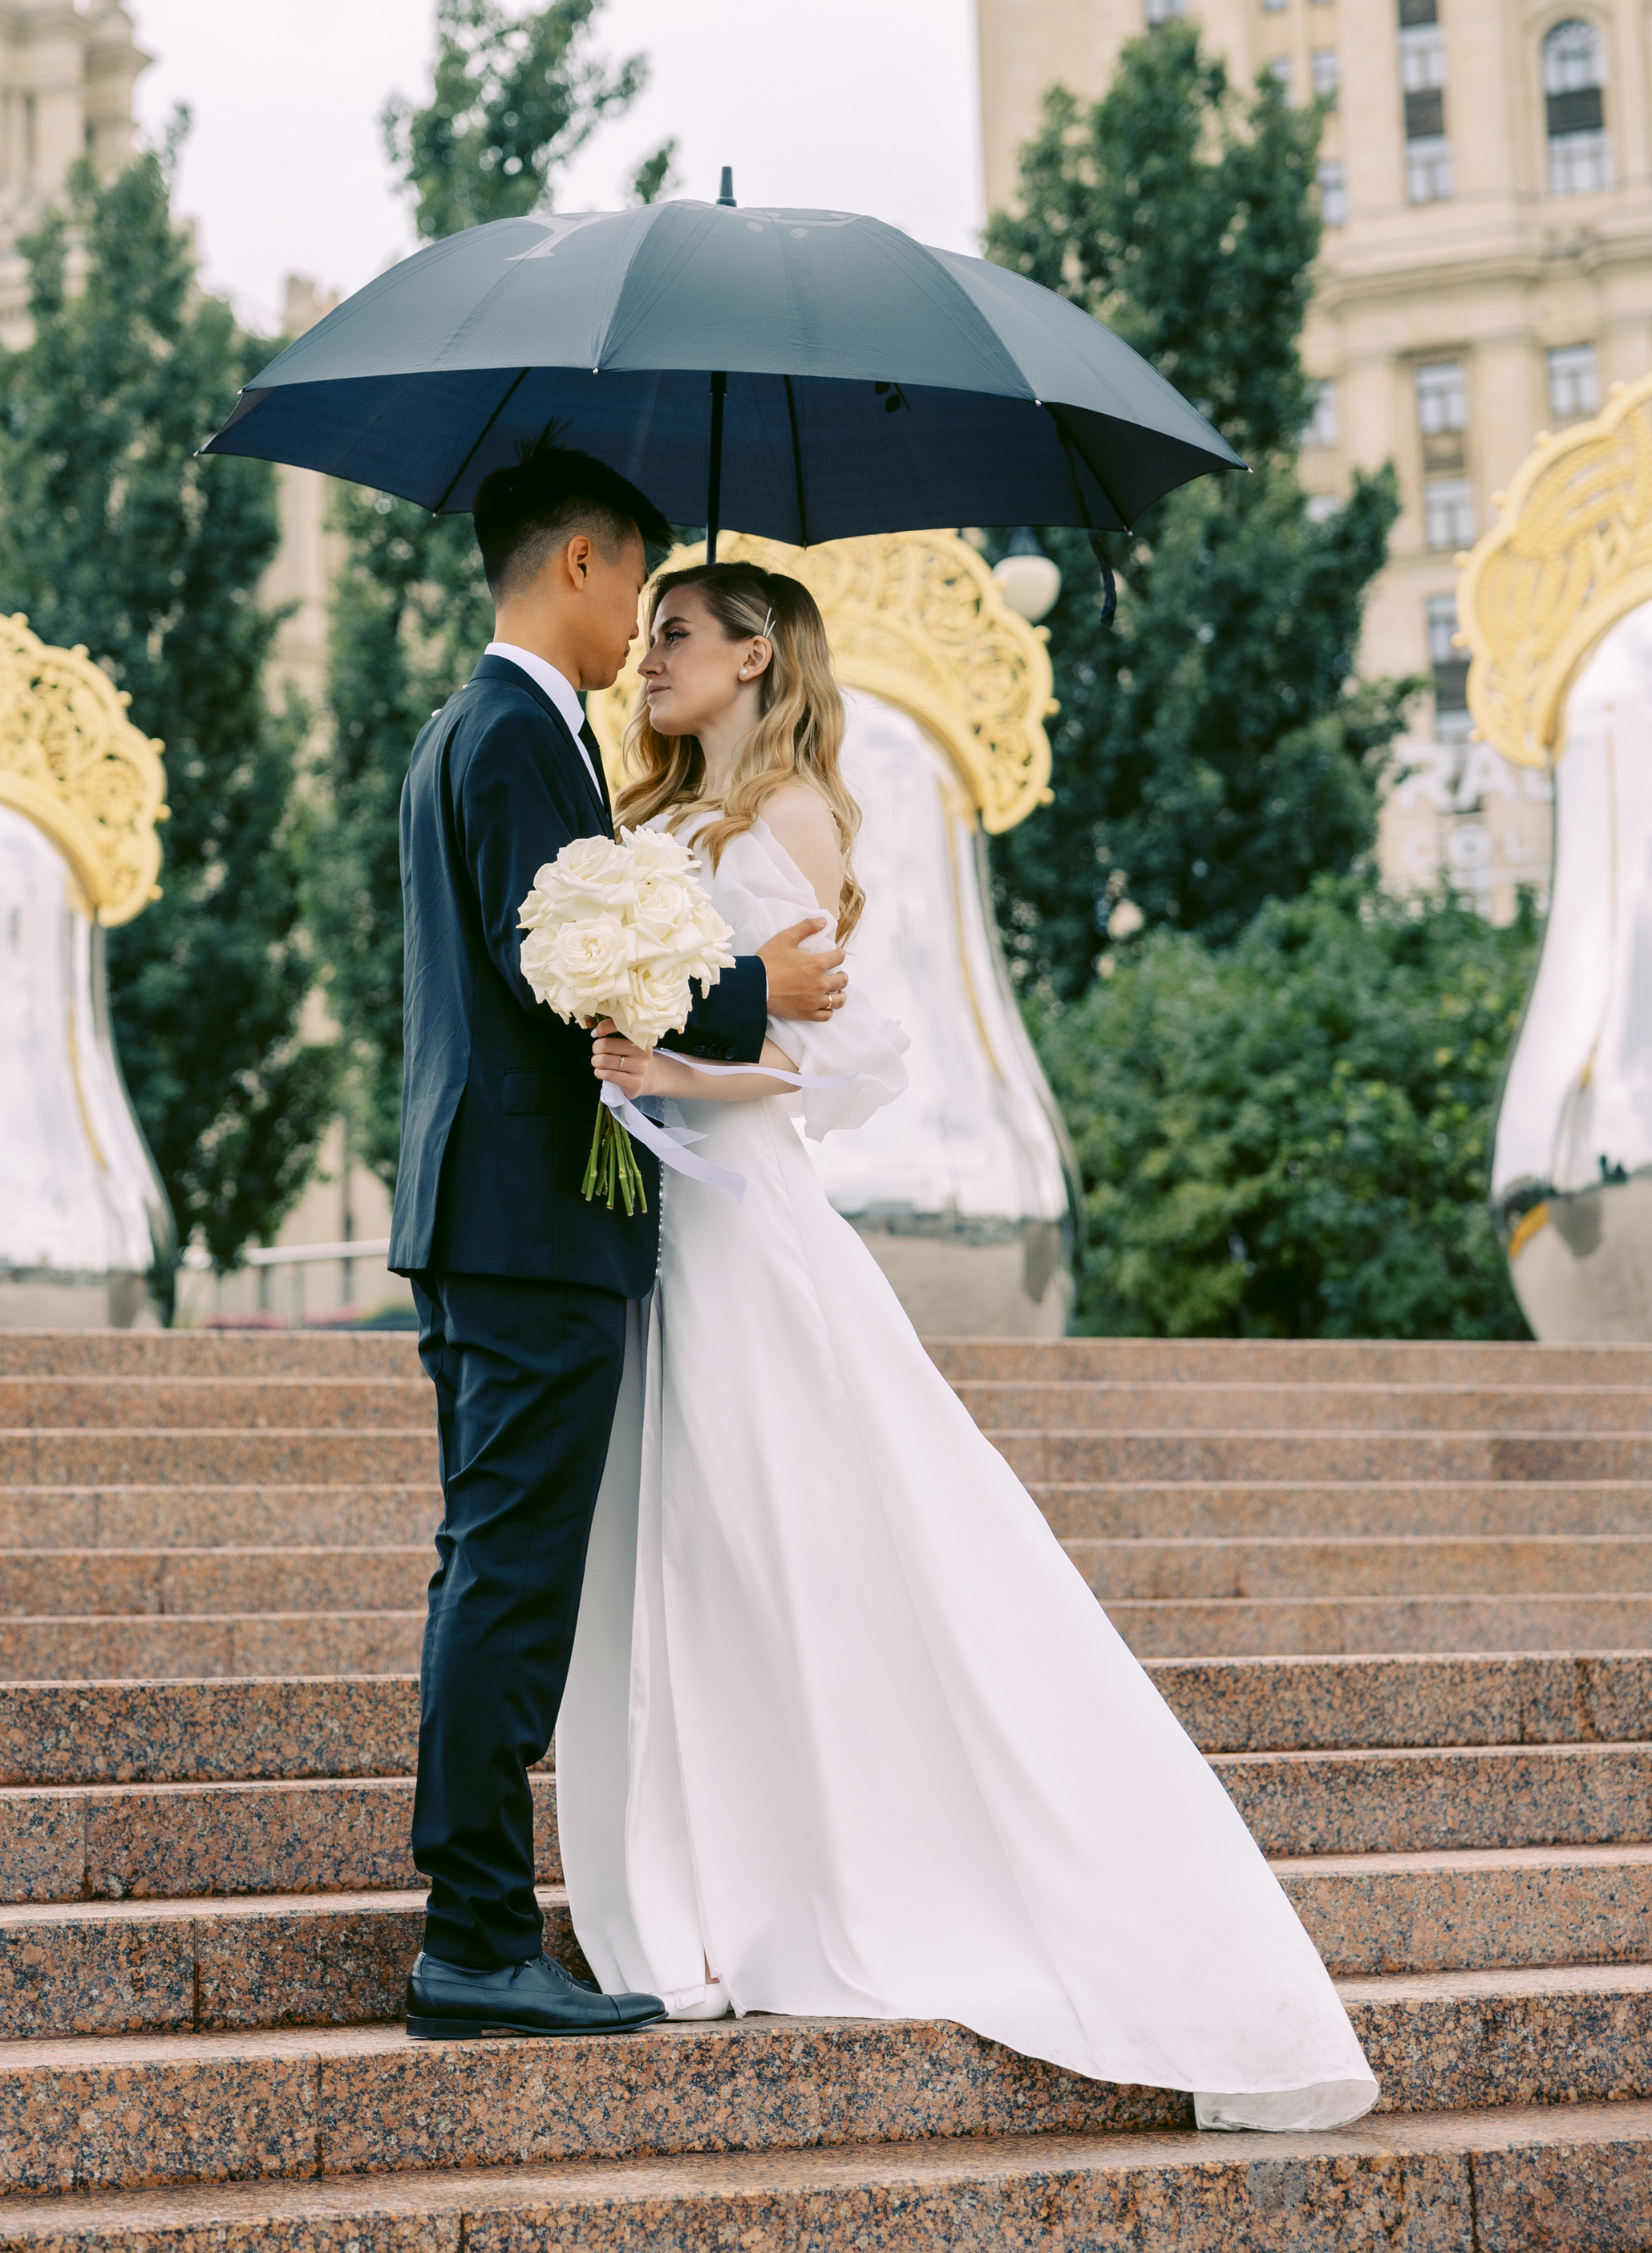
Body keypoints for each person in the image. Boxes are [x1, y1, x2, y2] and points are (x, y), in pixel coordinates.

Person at [554, 561, 1379, 2133]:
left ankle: (832, 1877)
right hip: (648, 1224)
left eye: (676, 635)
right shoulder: (643, 823)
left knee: (772, 1539)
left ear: (751, 657)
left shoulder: (784, 816)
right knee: (677, 1549)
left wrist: (677, 1065)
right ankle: (695, 1889)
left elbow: (851, 1052)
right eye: (646, 630)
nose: (648, 658)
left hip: (740, 1230)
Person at [391, 440, 852, 2044]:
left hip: (496, 1212)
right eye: (636, 594)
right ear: (578, 562)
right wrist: (755, 990)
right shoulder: (517, 735)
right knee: (509, 1574)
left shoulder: (485, 727)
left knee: (497, 1564)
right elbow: (564, 961)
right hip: (524, 1225)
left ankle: (481, 1928)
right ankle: (470, 1939)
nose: (639, 634)